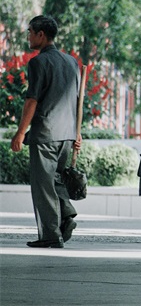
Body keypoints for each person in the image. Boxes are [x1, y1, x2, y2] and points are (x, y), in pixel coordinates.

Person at [10, 15, 81, 248]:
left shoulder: (38, 63)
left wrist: (20, 133)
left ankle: (51, 235)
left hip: (46, 134)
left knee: (43, 186)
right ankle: (67, 214)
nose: (28, 36)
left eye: (30, 31)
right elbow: (77, 100)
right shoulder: (71, 62)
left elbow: (32, 100)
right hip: (67, 134)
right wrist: (76, 133)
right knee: (57, 181)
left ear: (41, 35)